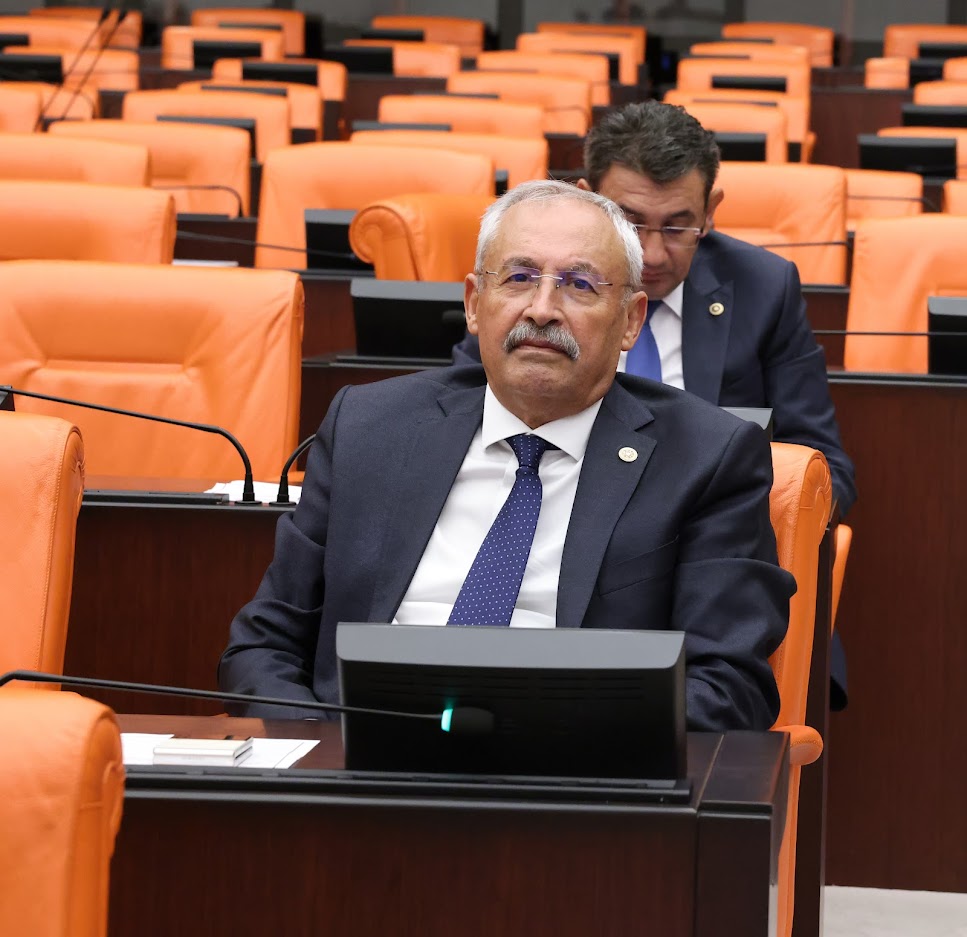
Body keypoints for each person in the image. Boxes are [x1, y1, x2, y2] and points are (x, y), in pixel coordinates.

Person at [219, 179, 795, 732]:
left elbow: (727, 686)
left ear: (631, 321)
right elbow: (263, 645)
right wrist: (326, 750)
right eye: (518, 278)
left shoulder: (706, 458)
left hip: (569, 778)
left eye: (580, 285)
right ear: (475, 304)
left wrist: (545, 746)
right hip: (356, 764)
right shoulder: (369, 427)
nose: (542, 309)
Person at [453, 102, 854, 707]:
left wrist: (716, 500)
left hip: (702, 562)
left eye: (678, 226)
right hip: (542, 532)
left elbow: (829, 469)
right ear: (586, 199)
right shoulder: (535, 294)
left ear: (711, 211)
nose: (655, 253)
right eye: (632, 222)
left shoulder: (764, 287)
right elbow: (459, 411)